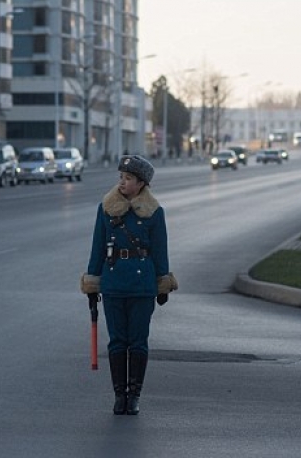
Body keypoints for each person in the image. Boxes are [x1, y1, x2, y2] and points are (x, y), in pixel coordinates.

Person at [80, 155, 177, 415]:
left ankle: (134, 395)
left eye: (129, 178)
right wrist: (92, 283)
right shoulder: (106, 209)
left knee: (138, 342)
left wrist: (162, 283)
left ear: (142, 183)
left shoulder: (155, 212)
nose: (122, 182)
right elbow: (97, 249)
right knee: (117, 342)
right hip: (113, 284)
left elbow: (160, 250)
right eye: (121, 177)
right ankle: (119, 395)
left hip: (142, 285)